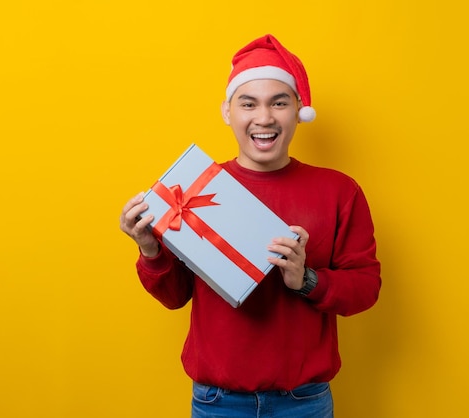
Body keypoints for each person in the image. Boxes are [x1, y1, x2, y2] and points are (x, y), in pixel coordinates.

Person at [119, 34, 381, 418]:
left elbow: (366, 288)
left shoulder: (340, 191)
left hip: (304, 402)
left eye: (279, 102)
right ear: (228, 112)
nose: (264, 118)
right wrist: (150, 249)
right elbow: (175, 297)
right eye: (249, 103)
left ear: (297, 110)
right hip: (217, 402)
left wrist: (306, 279)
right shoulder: (194, 189)